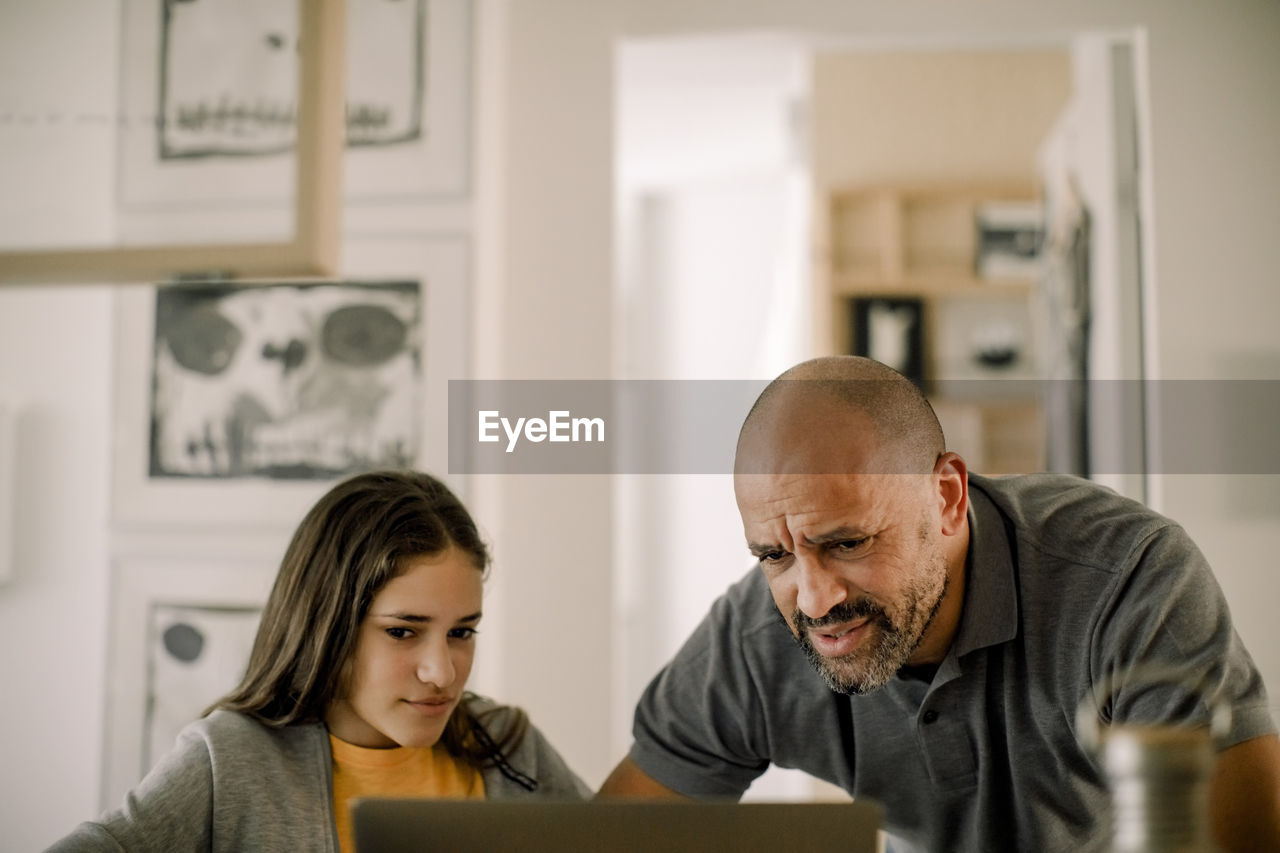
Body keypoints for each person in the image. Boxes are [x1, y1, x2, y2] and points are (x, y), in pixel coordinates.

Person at [599, 356, 1280, 852]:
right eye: (773, 555)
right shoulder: (753, 641)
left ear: (947, 497)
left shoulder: (1126, 579)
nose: (813, 598)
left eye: (847, 541)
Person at [51, 470, 589, 853]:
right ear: (327, 624)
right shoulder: (230, 762)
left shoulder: (509, 748)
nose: (442, 672)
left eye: (462, 632)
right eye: (403, 632)